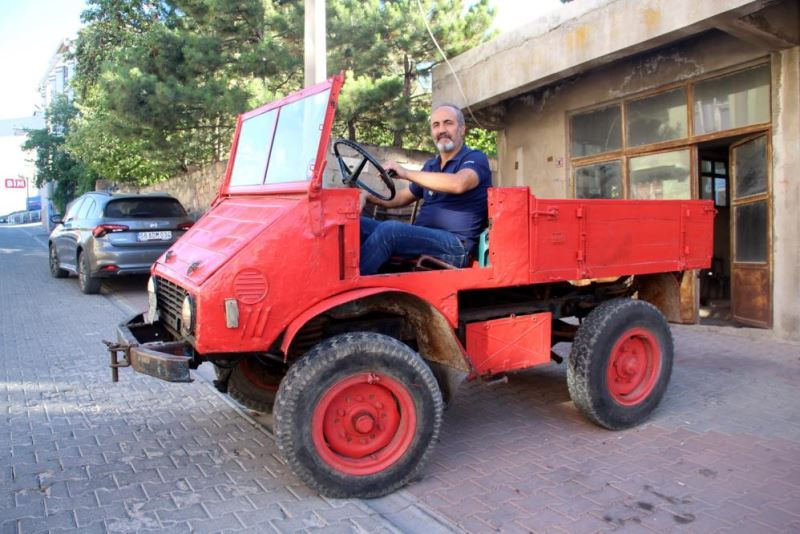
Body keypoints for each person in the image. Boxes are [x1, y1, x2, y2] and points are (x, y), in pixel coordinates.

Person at [359, 103, 492, 275]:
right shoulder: (431, 165)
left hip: (456, 246)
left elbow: (459, 183)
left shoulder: (475, 158)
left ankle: (350, 286)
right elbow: (401, 198)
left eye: (448, 123)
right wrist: (367, 194)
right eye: (436, 125)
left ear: (462, 129)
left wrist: (406, 173)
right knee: (355, 225)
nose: (441, 130)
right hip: (425, 237)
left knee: (390, 231)